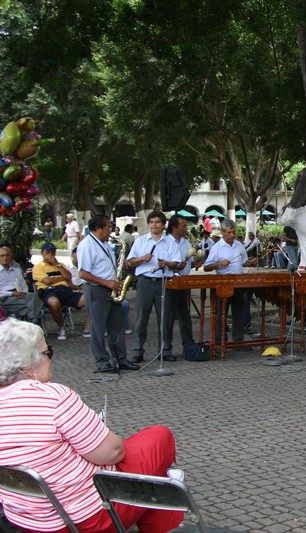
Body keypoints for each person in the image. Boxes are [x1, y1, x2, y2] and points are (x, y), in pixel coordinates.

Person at [0, 318, 184, 533]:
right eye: (47, 352)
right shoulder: (53, 397)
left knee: (151, 471)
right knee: (159, 436)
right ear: (27, 366)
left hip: (29, 521)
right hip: (86, 519)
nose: (51, 358)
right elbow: (112, 453)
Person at [77, 214, 139, 372]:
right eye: (107, 227)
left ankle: (120, 358)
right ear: (98, 229)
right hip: (97, 289)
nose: (110, 231)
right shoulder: (87, 245)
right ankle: (102, 361)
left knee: (116, 326)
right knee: (98, 328)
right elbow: (83, 273)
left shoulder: (104, 244)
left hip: (111, 288)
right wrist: (107, 282)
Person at [126, 211, 180, 363]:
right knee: (141, 318)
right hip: (145, 282)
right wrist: (143, 258)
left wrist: (166, 263)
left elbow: (176, 263)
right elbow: (130, 262)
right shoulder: (141, 241)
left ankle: (165, 350)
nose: (154, 225)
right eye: (151, 222)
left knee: (165, 318)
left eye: (157, 222)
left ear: (163, 225)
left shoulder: (171, 242)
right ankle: (137, 351)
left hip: (163, 282)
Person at [204, 220, 257, 344]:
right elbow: (207, 267)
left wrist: (249, 262)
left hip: (238, 283)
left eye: (233, 232)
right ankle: (219, 340)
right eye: (229, 233)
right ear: (222, 232)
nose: (232, 235)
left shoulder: (239, 245)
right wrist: (219, 263)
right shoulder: (216, 247)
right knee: (221, 313)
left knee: (239, 312)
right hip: (223, 284)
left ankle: (238, 340)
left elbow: (243, 261)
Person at [33, 243, 86, 341]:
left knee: (90, 297)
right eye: (47, 252)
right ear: (42, 253)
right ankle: (62, 328)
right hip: (48, 291)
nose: (50, 255)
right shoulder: (38, 267)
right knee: (54, 302)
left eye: (53, 252)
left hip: (65, 290)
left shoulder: (60, 265)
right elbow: (47, 281)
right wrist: (62, 278)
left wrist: (57, 265)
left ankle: (88, 328)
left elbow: (69, 277)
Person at [163, 215, 195, 361]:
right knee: (168, 317)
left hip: (184, 283)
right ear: (174, 227)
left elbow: (190, 262)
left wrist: (195, 263)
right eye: (183, 225)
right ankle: (166, 349)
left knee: (185, 315)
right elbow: (163, 262)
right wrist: (176, 265)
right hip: (170, 283)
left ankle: (188, 345)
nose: (186, 228)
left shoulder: (186, 242)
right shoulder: (165, 242)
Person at [0, 246, 42, 321]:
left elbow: (24, 286)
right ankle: (34, 319)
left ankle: (32, 318)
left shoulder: (17, 271)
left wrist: (23, 293)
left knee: (33, 296)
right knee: (35, 303)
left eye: (7, 255)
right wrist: (12, 294)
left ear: (11, 257)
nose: (5, 258)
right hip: (4, 298)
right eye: (2, 256)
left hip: (19, 295)